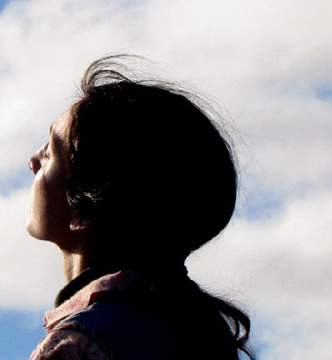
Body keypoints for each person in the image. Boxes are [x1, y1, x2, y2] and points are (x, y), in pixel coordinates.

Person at [27, 55, 254, 360]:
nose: (32, 162)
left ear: (82, 210)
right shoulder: (198, 332)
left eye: (49, 152)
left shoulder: (77, 345)